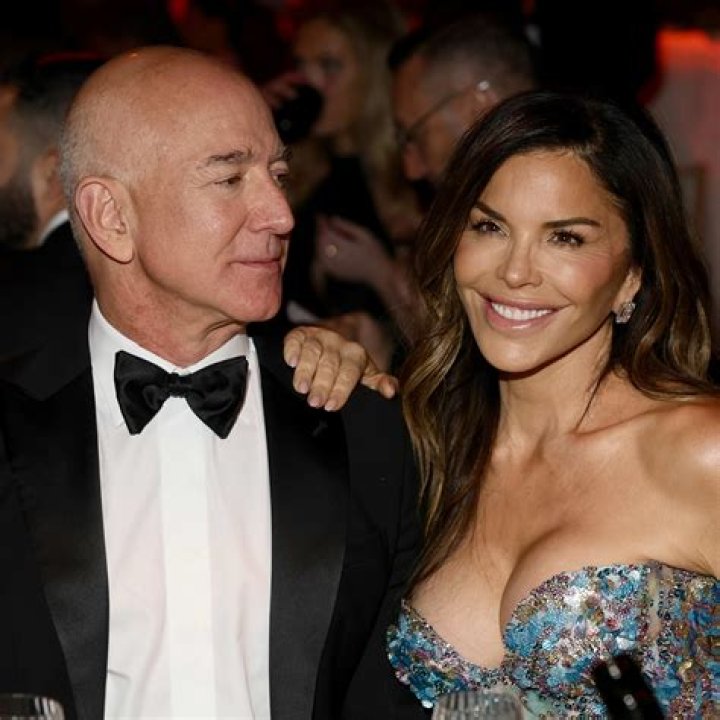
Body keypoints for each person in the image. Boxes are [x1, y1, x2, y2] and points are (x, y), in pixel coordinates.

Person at [0, 46, 419, 720]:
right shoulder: (11, 426)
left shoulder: (361, 427)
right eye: (229, 178)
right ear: (110, 216)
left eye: (278, 175)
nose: (281, 214)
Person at [379, 92, 719, 717]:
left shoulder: (700, 449)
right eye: (489, 227)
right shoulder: (430, 449)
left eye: (565, 238)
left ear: (633, 274)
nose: (515, 272)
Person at [315, 14, 537, 347]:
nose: (412, 170)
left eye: (415, 136)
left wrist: (384, 277)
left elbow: (462, 350)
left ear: (479, 107)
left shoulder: (565, 195)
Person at [266, 1, 421, 369]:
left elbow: (451, 343)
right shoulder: (296, 171)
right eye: (301, 66)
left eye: (329, 65)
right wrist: (252, 116)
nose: (312, 83)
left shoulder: (413, 174)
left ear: (373, 72)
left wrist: (379, 272)